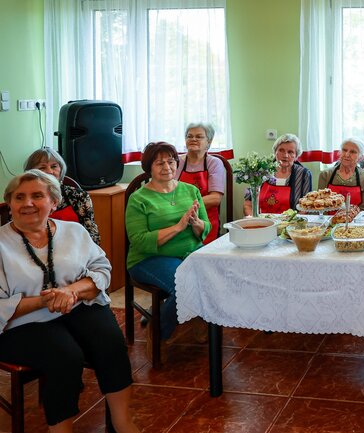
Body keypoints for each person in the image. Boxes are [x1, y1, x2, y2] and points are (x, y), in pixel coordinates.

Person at [0, 170, 139, 433]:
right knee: (65, 357)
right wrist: (46, 301)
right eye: (19, 197)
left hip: (77, 306)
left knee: (111, 342)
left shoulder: (74, 231)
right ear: (10, 204)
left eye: (37, 196)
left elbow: (101, 270)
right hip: (20, 323)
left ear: (54, 202)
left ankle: (123, 423)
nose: (27, 203)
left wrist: (71, 292)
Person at [126, 142, 210, 355]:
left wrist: (196, 224)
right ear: (149, 167)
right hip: (149, 259)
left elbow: (206, 228)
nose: (167, 167)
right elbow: (139, 240)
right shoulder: (138, 199)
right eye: (159, 163)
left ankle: (198, 316)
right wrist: (178, 227)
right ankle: (159, 331)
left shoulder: (190, 190)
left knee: (216, 274)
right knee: (185, 284)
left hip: (190, 253)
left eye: (171, 161)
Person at [24, 148, 100, 244]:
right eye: (42, 168)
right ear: (31, 173)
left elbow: (92, 233)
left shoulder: (79, 196)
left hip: (75, 248)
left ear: (61, 169)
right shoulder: (23, 199)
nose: (49, 171)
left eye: (54, 166)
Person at [175, 122, 226, 244]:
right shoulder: (176, 161)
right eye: (189, 136)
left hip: (205, 221)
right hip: (177, 218)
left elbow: (215, 199)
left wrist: (184, 207)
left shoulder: (214, 163)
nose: (193, 139)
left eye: (199, 136)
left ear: (209, 141)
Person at [243, 133, 312, 215]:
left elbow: (306, 208)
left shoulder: (304, 174)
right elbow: (248, 205)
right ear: (275, 152)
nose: (285, 155)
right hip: (261, 221)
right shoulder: (260, 171)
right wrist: (255, 220)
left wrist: (291, 222)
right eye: (281, 150)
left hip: (291, 222)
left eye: (290, 152)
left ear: (296, 156)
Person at [317, 138, 364, 210]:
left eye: (352, 152)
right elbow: (320, 205)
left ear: (360, 157)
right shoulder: (325, 175)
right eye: (344, 150)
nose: (347, 154)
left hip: (356, 216)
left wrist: (347, 216)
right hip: (328, 216)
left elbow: (363, 208)